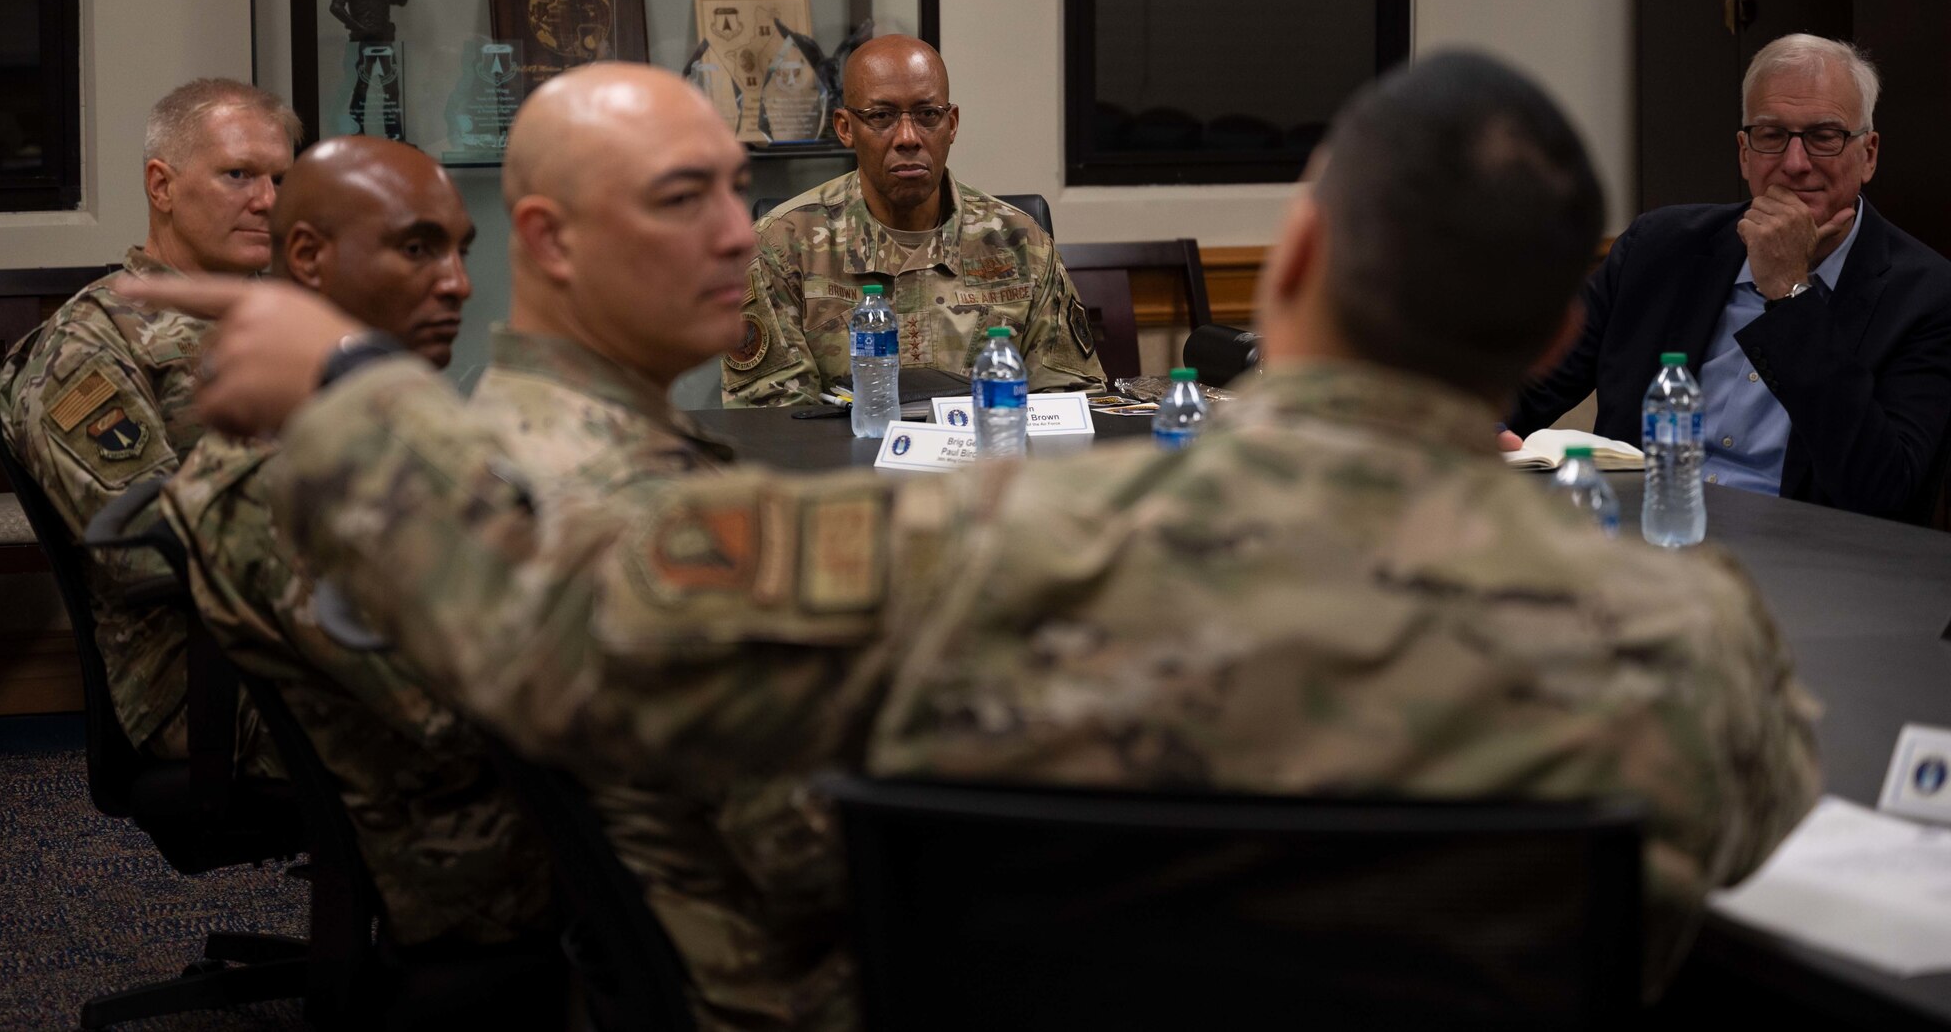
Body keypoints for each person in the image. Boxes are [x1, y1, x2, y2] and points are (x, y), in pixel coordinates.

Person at [128, 51, 1820, 1011]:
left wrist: (356, 402)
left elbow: (557, 620)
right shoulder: (1710, 650)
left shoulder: (991, 550)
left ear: (1289, 268)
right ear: (1550, 341)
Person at [155, 136, 558, 950]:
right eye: (418, 249)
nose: (458, 283)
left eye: (460, 251)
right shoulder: (294, 470)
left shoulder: (369, 434)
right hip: (514, 875)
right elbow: (510, 700)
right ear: (307, 256)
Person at [1508, 34, 1951, 522]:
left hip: (1809, 564)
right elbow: (1524, 387)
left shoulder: (1927, 294)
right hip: (1639, 538)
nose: (1794, 164)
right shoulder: (1658, 248)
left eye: (1824, 136)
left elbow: (1886, 494)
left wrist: (1789, 294)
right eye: (1770, 136)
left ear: (1868, 154)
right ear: (1744, 153)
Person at [0, 77, 297, 763]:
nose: (269, 201)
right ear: (161, 186)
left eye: (279, 177)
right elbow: (151, 543)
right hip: (213, 681)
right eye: (238, 174)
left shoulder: (284, 319)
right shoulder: (89, 344)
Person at [723, 34, 1104, 406]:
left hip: (986, 464)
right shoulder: (781, 246)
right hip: (849, 466)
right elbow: (773, 422)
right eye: (882, 117)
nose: (908, 137)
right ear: (844, 128)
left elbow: (1069, 404)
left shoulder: (1021, 243)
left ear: (951, 124)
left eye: (927, 115)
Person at [330, 0, 408, 136]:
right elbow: (336, 6)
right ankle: (358, 135)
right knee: (361, 89)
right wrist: (358, 28)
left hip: (384, 42)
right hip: (363, 44)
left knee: (391, 90)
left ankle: (394, 136)